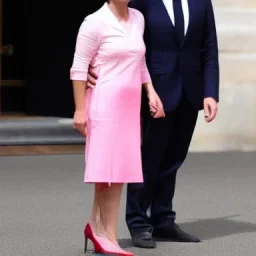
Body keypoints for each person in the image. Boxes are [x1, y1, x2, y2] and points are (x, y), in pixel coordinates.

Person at [87, 0, 219, 249]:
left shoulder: (202, 1)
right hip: (154, 91)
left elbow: (209, 47)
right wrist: (94, 64)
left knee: (173, 160)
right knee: (147, 159)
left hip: (190, 92)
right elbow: (122, 34)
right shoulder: (141, 1)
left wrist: (210, 92)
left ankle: (163, 219)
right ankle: (138, 223)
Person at [70, 0, 165, 255]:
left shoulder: (138, 18)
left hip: (129, 108)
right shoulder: (94, 22)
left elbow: (140, 60)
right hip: (103, 104)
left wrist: (151, 91)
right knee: (105, 172)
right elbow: (79, 69)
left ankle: (101, 230)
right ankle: (103, 232)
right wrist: (79, 110)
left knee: (120, 171)